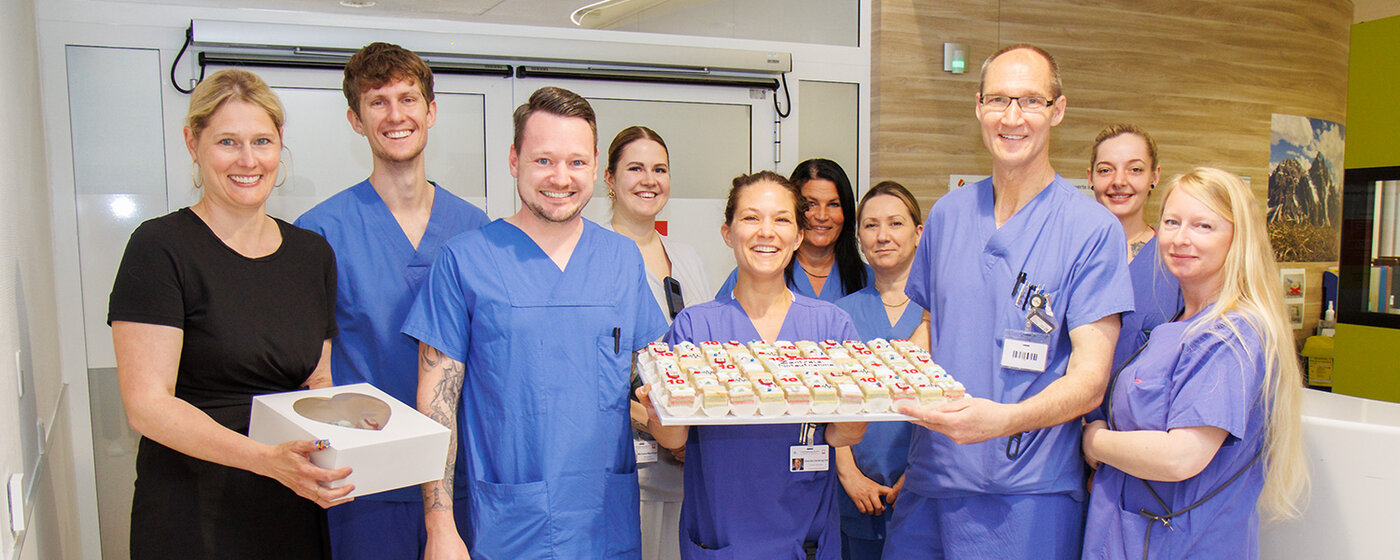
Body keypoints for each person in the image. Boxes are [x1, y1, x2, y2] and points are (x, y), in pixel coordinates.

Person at [887, 45, 1133, 560]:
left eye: (1031, 101)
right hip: (932, 476)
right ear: (978, 107)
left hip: (1027, 490)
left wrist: (1001, 422)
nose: (1013, 117)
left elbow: (1090, 382)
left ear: (1057, 110)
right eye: (998, 99)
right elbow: (933, 326)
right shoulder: (949, 214)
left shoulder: (1091, 231)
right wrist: (880, 371)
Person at [403, 86, 669, 559]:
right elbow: (436, 405)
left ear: (594, 169)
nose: (561, 178)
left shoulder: (620, 260)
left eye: (576, 162)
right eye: (544, 160)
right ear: (514, 160)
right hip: (510, 521)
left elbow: (649, 375)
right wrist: (439, 524)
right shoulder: (465, 261)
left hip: (605, 518)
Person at [109, 68, 352, 559]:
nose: (248, 160)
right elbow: (147, 406)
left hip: (289, 500)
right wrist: (265, 460)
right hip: (192, 505)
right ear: (192, 143)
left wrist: (339, 455)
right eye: (227, 142)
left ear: (280, 145)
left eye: (262, 141)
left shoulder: (312, 254)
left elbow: (317, 381)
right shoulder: (159, 248)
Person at [295, 42, 488, 559]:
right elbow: (314, 372)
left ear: (431, 111)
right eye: (377, 101)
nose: (396, 114)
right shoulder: (319, 234)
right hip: (365, 482)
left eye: (408, 98)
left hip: (461, 478)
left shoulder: (477, 231)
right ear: (356, 120)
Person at [639, 171, 867, 560]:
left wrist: (858, 392)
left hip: (804, 535)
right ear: (728, 233)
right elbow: (674, 440)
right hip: (722, 531)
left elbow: (847, 433)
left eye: (781, 219)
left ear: (797, 236)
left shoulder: (831, 326)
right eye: (750, 218)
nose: (766, 232)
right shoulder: (696, 327)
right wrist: (656, 408)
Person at [1080, 167, 1307, 559]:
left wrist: (1094, 440)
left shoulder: (1230, 336)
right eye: (1171, 222)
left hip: (1184, 543)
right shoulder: (1179, 325)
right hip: (1128, 536)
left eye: (1203, 226)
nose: (1181, 238)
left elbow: (1181, 456)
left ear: (1238, 238)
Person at [602, 125, 712, 560]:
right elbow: (590, 375)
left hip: (694, 468)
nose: (649, 180)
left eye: (659, 169)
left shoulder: (687, 257)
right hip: (632, 467)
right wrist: (660, 427)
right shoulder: (592, 256)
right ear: (609, 179)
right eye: (635, 168)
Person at [832, 181, 923, 560]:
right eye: (870, 226)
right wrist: (848, 473)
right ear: (858, 238)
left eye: (895, 223)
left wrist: (918, 476)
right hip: (855, 492)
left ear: (919, 234)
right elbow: (826, 404)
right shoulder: (840, 315)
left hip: (923, 488)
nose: (882, 236)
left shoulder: (941, 314)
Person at [1087, 124, 1181, 375]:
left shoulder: (1178, 260)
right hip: (1070, 412)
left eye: (1135, 169)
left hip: (1148, 412)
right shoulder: (1068, 256)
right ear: (1090, 178)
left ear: (1155, 176)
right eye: (1105, 170)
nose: (1119, 181)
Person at [715, 159, 869, 302]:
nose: (822, 216)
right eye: (811, 204)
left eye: (833, 204)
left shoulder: (868, 279)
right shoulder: (752, 275)